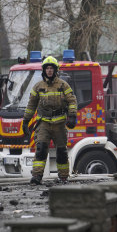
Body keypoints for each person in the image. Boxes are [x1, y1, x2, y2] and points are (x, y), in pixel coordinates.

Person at [22, 56, 78, 185]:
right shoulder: (38, 87)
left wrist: (72, 115)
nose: (49, 70)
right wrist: (26, 121)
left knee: (62, 151)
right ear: (44, 70)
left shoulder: (63, 85)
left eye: (51, 68)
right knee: (41, 148)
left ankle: (63, 177)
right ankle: (36, 176)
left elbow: (72, 101)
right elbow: (31, 105)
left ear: (55, 70)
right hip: (43, 123)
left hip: (59, 124)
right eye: (47, 68)